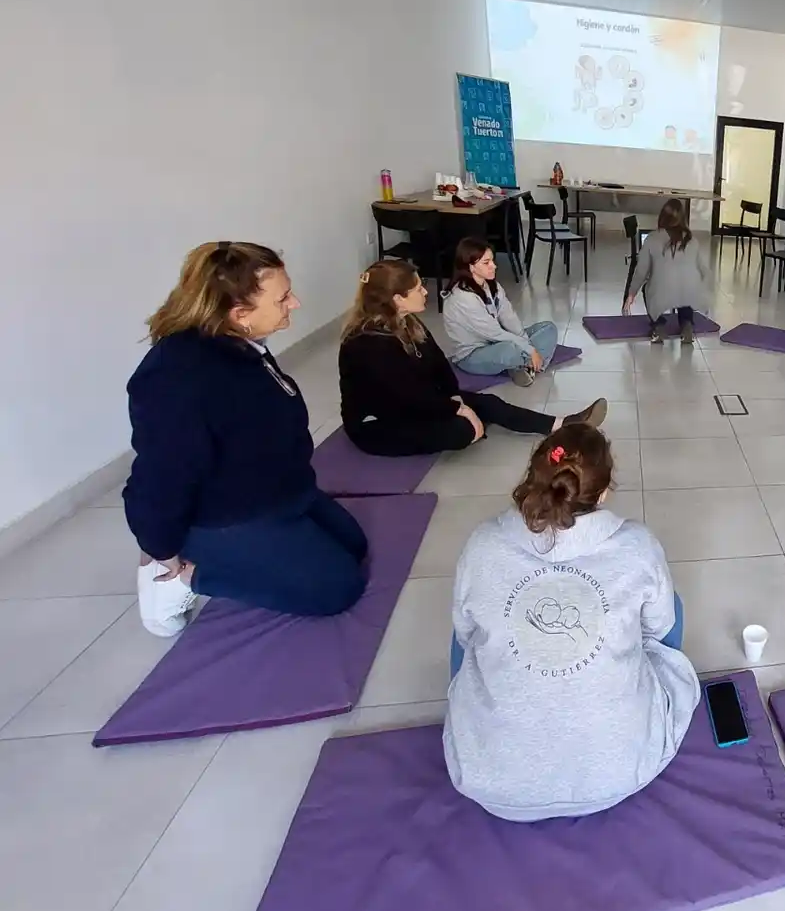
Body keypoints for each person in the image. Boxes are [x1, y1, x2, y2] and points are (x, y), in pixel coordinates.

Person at [444, 423, 698, 822]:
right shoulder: (637, 545)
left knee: (468, 632)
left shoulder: (482, 544)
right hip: (621, 773)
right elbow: (660, 629)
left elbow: (463, 633)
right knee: (671, 606)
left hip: (491, 784)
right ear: (604, 491)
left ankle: (488, 722)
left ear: (534, 476)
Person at [126, 242, 369, 637]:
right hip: (225, 514)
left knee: (354, 546)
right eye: (283, 298)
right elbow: (161, 476)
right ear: (240, 315)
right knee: (339, 587)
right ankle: (178, 580)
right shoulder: (177, 378)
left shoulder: (238, 345)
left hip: (280, 492)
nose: (296, 303)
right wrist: (160, 545)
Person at [338, 259, 604, 456]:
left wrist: (454, 397)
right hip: (378, 425)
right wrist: (458, 408)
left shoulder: (408, 321)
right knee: (463, 430)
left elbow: (439, 365)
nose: (426, 292)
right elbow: (408, 397)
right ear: (397, 298)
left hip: (415, 404)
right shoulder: (367, 343)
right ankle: (464, 420)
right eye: (419, 289)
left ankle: (561, 426)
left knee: (488, 403)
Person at [442, 237, 558, 387]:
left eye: (492, 260)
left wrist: (526, 342)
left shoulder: (492, 285)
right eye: (486, 262)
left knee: (548, 328)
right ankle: (525, 364)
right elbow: (495, 333)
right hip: (472, 355)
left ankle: (522, 366)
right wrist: (530, 349)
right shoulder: (463, 297)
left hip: (496, 342)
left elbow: (509, 316)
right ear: (471, 267)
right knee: (510, 349)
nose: (494, 266)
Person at [623, 198, 712, 345]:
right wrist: (703, 292)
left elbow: (641, 272)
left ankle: (658, 327)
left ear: (662, 216)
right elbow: (705, 271)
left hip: (663, 294)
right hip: (689, 294)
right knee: (686, 284)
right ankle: (686, 325)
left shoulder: (652, 238)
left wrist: (631, 293)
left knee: (648, 287)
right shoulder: (692, 240)